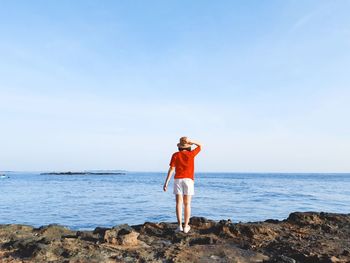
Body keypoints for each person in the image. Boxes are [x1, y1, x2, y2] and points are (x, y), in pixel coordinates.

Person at [163, 137, 202, 233]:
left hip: (178, 180)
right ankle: (186, 226)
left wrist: (166, 182)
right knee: (187, 203)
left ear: (179, 147)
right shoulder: (192, 154)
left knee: (178, 203)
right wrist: (191, 141)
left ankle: (179, 226)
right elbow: (200, 145)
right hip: (188, 180)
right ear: (188, 146)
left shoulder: (175, 155)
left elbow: (171, 169)